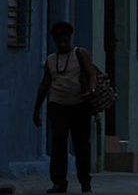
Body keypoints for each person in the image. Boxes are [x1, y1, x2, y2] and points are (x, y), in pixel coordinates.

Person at [33, 22, 98, 194]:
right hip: (58, 105)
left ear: (70, 37)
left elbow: (92, 74)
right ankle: (59, 182)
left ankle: (85, 182)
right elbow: (45, 85)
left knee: (81, 145)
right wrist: (37, 108)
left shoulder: (79, 53)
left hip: (79, 105)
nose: (62, 41)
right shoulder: (51, 60)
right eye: (59, 38)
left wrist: (91, 90)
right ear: (54, 40)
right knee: (58, 145)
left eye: (65, 37)